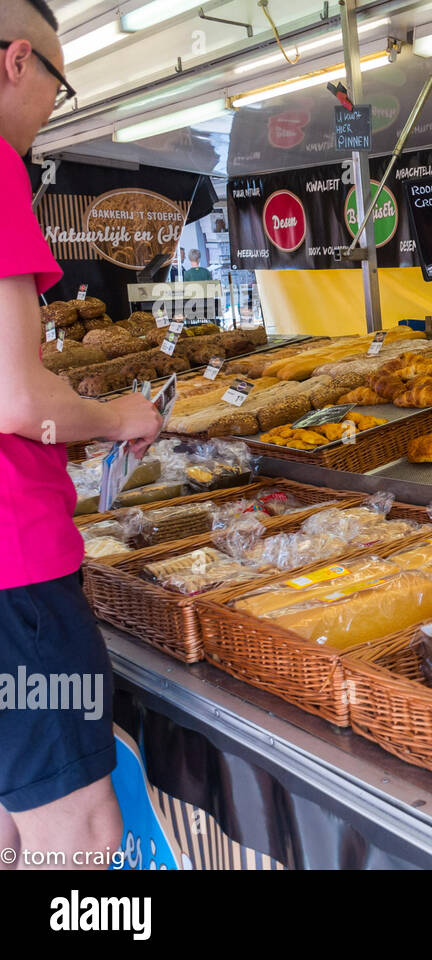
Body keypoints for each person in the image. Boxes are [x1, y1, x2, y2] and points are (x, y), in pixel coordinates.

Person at [0, 0, 163, 871]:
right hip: (13, 574)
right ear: (18, 62)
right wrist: (120, 418)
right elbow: (17, 401)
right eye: (59, 87)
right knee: (81, 835)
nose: (51, 111)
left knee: (12, 814)